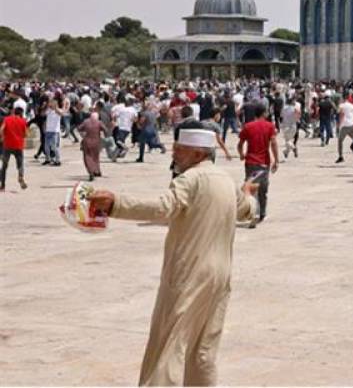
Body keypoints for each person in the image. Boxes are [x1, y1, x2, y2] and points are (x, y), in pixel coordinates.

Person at [88, 129, 259, 386]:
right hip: (219, 276)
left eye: (180, 148)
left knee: (168, 347)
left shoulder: (189, 180)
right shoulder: (224, 179)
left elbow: (163, 207)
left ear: (198, 153)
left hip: (188, 275)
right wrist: (247, 193)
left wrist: (116, 203)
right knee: (203, 350)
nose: (174, 153)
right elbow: (247, 210)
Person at [237, 104, 279, 228]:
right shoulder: (270, 126)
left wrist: (241, 154)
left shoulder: (248, 126)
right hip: (263, 163)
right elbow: (274, 143)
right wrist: (276, 160)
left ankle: (252, 213)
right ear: (264, 113)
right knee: (263, 189)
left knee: (250, 188)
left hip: (250, 162)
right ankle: (260, 213)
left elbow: (240, 144)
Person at [1, 106, 29, 191]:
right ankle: (20, 176)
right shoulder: (23, 121)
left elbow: (1, 129)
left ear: (14, 112)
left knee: (4, 166)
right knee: (20, 165)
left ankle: (2, 185)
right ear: (21, 113)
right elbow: (26, 135)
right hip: (18, 146)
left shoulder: (7, 119)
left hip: (7, 145)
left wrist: (2, 137)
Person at [78, 111, 107, 181]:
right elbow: (105, 129)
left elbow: (79, 128)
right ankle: (97, 171)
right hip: (96, 142)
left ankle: (91, 171)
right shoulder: (99, 122)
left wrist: (82, 134)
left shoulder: (86, 122)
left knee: (87, 157)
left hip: (87, 141)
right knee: (95, 157)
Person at [335, 96, 353, 164]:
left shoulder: (341, 105)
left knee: (340, 141)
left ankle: (341, 156)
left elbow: (341, 114)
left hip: (346, 125)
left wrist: (339, 125)